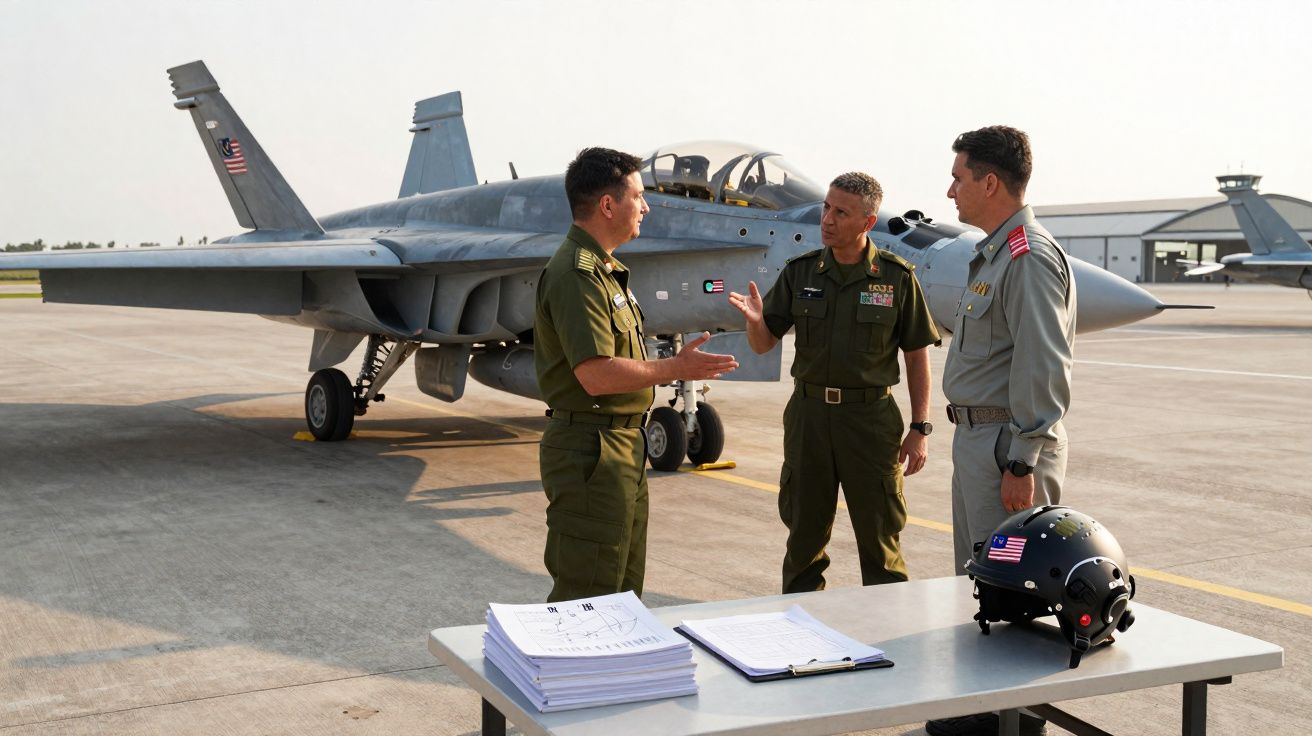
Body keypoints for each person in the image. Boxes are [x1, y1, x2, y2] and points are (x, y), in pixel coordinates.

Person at [534, 147, 738, 603]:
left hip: (622, 447)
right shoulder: (577, 274)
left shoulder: (607, 272)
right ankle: (576, 675)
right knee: (587, 594)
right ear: (608, 205)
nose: (646, 207)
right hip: (592, 452)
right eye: (639, 196)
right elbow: (595, 375)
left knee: (621, 592)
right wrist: (676, 368)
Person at [929, 126, 1076, 736]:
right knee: (984, 577)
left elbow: (1043, 366)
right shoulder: (992, 253)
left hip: (1005, 452)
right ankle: (987, 709)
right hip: (980, 445)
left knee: (1016, 582)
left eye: (959, 177)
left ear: (990, 182)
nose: (950, 190)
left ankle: (1012, 719)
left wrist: (1022, 462)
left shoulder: (1029, 258)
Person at [729, 172, 940, 593]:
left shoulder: (896, 278)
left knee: (880, 538)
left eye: (841, 212)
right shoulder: (800, 273)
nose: (827, 219)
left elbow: (917, 356)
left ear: (867, 221)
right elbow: (764, 342)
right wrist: (754, 323)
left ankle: (890, 632)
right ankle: (802, 634)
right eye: (827, 207)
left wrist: (919, 429)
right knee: (804, 536)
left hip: (870, 421)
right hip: (809, 417)